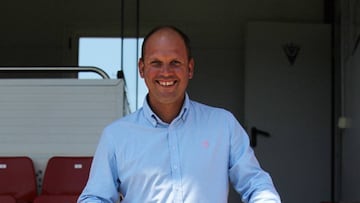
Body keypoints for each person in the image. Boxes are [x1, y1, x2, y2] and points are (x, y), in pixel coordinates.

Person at [78, 25, 281, 203]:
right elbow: (95, 197)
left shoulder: (223, 125)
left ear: (190, 68)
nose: (166, 72)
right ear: (141, 69)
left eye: (175, 62)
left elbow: (256, 184)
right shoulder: (116, 136)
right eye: (155, 63)